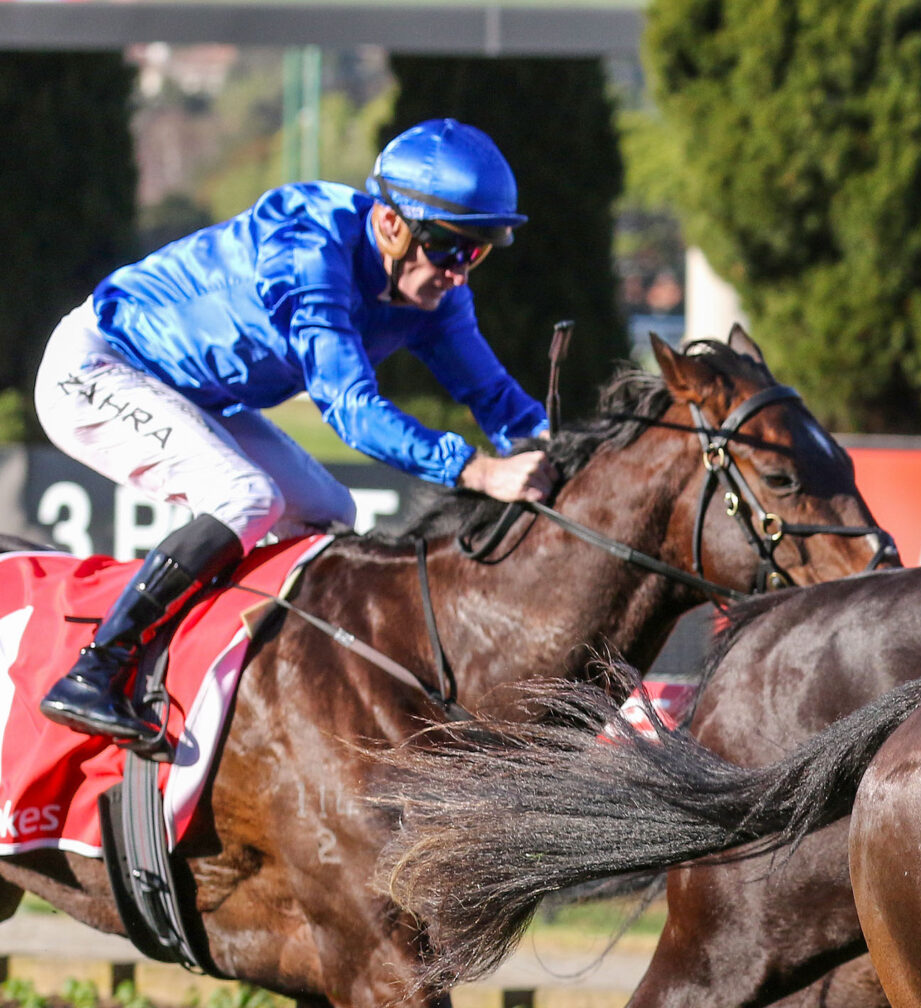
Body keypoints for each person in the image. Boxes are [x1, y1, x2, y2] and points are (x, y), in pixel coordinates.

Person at [33, 118, 557, 753]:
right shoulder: (309, 247)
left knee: (330, 510)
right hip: (96, 368)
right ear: (391, 225)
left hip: (196, 394)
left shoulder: (436, 300)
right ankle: (96, 669)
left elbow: (495, 397)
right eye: (451, 249)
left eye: (477, 253)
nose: (460, 274)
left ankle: (264, 672)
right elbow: (351, 409)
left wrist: (556, 451)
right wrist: (478, 470)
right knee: (246, 498)